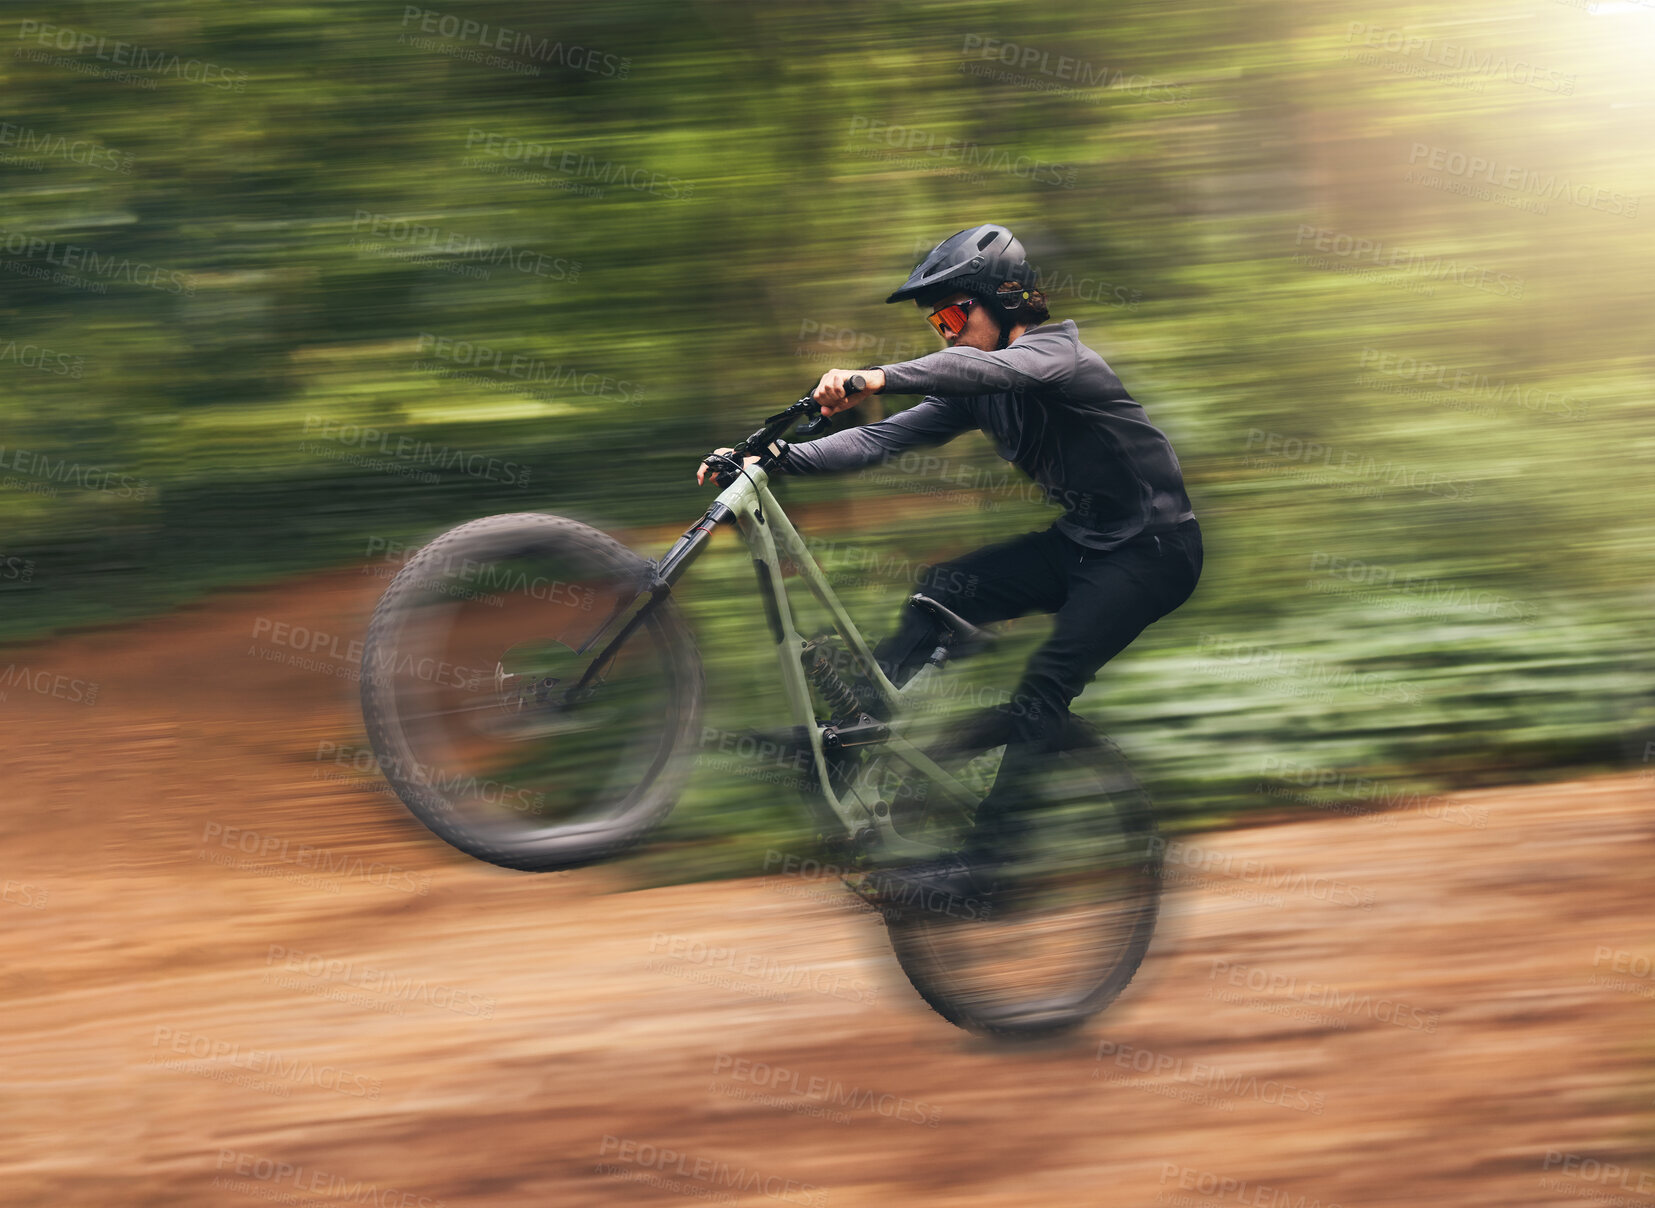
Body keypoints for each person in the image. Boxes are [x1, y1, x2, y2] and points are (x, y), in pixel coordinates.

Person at [699, 223, 1202, 913]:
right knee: (943, 590)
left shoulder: (1058, 356)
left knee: (1045, 686)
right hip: (1084, 543)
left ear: (1001, 298)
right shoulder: (977, 383)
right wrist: (774, 461)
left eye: (951, 315)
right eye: (936, 321)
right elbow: (880, 437)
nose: (944, 332)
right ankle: (855, 739)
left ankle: (995, 869)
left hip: (1154, 553)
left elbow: (985, 370)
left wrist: (878, 374)